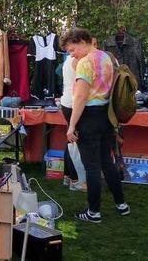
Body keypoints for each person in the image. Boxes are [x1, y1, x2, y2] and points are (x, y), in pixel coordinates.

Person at [61, 28, 129, 223]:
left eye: (72, 49)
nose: (71, 54)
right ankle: (121, 204)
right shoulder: (107, 57)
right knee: (107, 163)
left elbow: (81, 96)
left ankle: (94, 212)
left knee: (92, 167)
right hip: (105, 116)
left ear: (82, 41)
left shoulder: (84, 63)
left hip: (88, 118)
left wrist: (71, 125)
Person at [58, 53, 86, 191]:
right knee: (75, 142)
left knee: (71, 141)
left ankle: (68, 176)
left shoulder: (69, 59)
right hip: (74, 103)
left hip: (67, 102)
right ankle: (76, 181)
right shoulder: (78, 59)